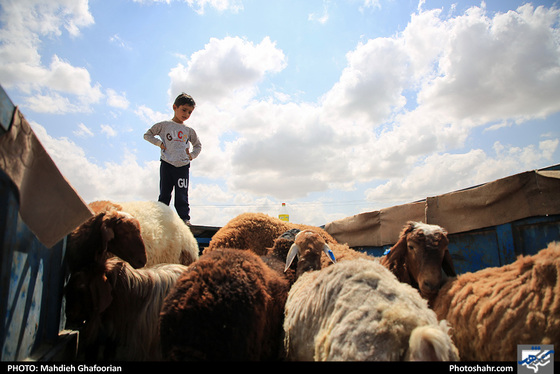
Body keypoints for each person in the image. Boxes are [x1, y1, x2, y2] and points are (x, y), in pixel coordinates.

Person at [144, 93, 202, 225]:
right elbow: (147, 135)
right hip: (167, 163)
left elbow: (198, 145)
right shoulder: (164, 125)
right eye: (184, 110)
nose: (186, 114)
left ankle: (184, 219)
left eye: (189, 112)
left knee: (182, 194)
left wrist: (191, 155)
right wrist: (160, 144)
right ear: (175, 107)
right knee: (165, 192)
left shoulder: (189, 130)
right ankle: (160, 218)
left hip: (183, 166)